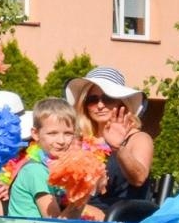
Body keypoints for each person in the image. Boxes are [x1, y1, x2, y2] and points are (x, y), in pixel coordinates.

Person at [65, 66, 154, 209]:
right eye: (92, 99)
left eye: (108, 98)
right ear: (85, 104)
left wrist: (118, 148)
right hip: (79, 209)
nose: (100, 105)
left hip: (121, 213)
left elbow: (139, 179)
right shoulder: (79, 140)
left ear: (122, 102)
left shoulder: (138, 138)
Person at [6, 98, 93, 219]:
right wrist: (85, 190)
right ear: (35, 134)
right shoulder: (35, 171)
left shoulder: (59, 168)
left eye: (68, 133)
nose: (61, 141)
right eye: (52, 133)